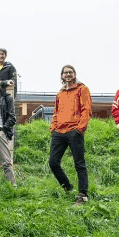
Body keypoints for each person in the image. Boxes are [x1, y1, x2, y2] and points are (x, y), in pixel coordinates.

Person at [49, 65, 91, 203]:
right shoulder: (60, 93)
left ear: (74, 74)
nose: (68, 74)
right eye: (65, 73)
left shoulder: (82, 89)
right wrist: (53, 127)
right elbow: (55, 112)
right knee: (53, 162)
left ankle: (83, 194)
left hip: (74, 131)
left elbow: (86, 110)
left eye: (70, 72)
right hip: (59, 132)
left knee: (79, 163)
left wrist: (80, 129)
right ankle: (68, 188)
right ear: (62, 76)